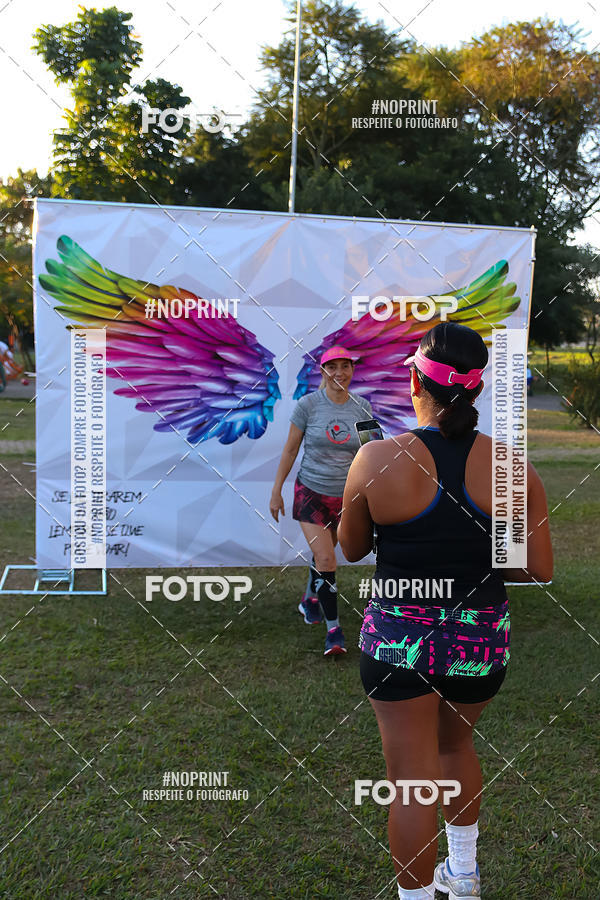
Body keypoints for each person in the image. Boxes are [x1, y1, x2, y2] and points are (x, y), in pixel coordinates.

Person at [338, 322, 553, 900]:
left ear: (414, 379)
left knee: (409, 783)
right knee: (456, 748)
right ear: (476, 391)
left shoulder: (375, 458)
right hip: (479, 642)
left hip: (396, 642)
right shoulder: (510, 467)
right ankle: (463, 876)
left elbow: (352, 549)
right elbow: (536, 569)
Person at [270, 345, 372, 656]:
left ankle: (310, 599)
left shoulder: (363, 407)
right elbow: (289, 450)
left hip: (346, 498)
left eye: (345, 366)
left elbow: (369, 452)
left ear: (352, 370)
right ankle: (334, 632)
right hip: (311, 492)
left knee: (323, 555)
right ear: (323, 371)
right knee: (327, 560)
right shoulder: (308, 406)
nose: (339, 373)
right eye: (332, 367)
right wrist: (276, 491)